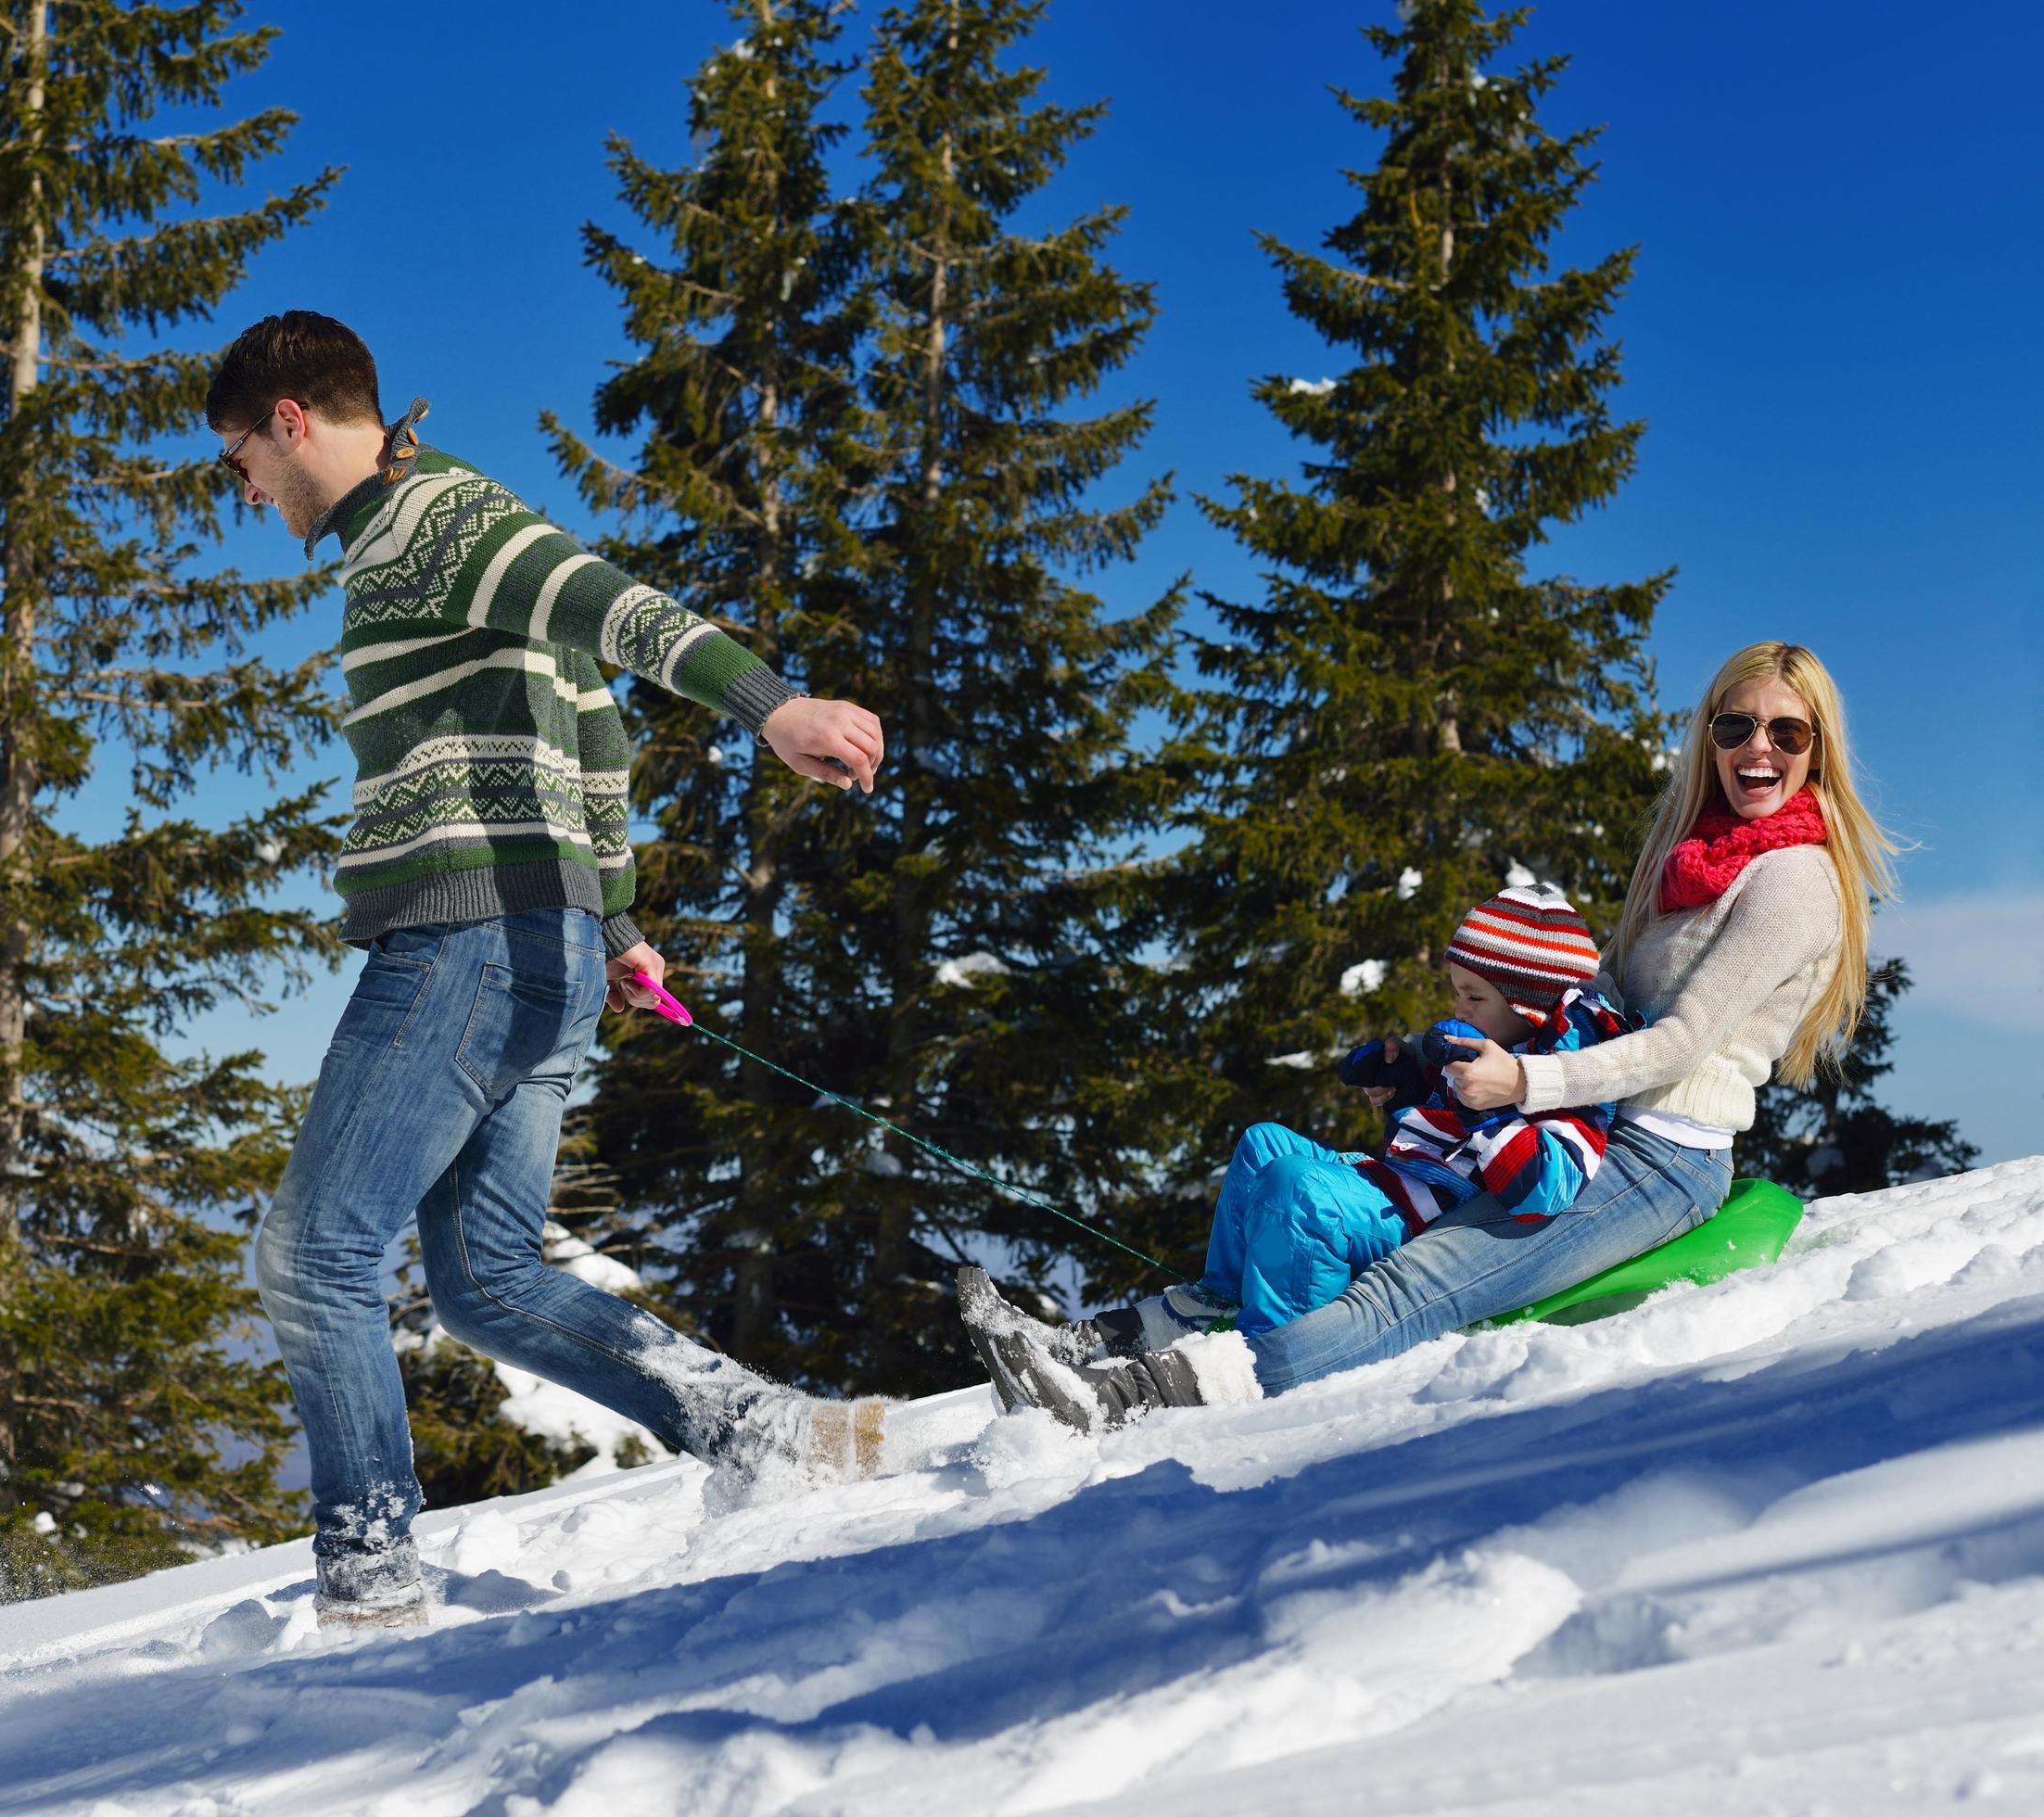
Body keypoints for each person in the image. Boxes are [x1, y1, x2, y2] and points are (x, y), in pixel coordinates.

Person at [210, 312, 894, 1628]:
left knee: (314, 1256)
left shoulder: (435, 521)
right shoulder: (411, 540)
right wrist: (616, 923)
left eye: (234, 458)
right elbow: (588, 717)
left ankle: (368, 1591)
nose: (240, 491)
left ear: (290, 421)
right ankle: (760, 1429)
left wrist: (776, 708)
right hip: (546, 942)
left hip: (464, 942)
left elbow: (616, 609)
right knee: (489, 1281)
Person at [964, 641, 1892, 1430]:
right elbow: (1600, 997)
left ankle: (1128, 1397)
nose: (1756, 747)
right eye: (1735, 726)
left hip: (1660, 1160)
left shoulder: (1793, 880)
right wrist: (1442, 1071)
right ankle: (1092, 1343)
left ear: (1817, 748)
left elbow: (1681, 1043)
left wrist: (1522, 1088)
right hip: (1589, 1120)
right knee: (1311, 1190)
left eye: (1785, 731)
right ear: (1710, 738)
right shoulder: (1688, 855)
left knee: (1411, 1284)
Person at [961, 885, 1633, 1429]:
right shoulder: (1496, 1050)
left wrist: (1482, 1100)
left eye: (1472, 996)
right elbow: (1442, 1120)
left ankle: (1268, 1347)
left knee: (1300, 1190)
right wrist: (1407, 1081)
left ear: (1527, 1004)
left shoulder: (1565, 1078)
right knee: (1265, 1145)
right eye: (1456, 989)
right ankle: (1204, 1306)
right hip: (1395, 1185)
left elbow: (1544, 1186)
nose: (1455, 1005)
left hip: (1433, 1222)